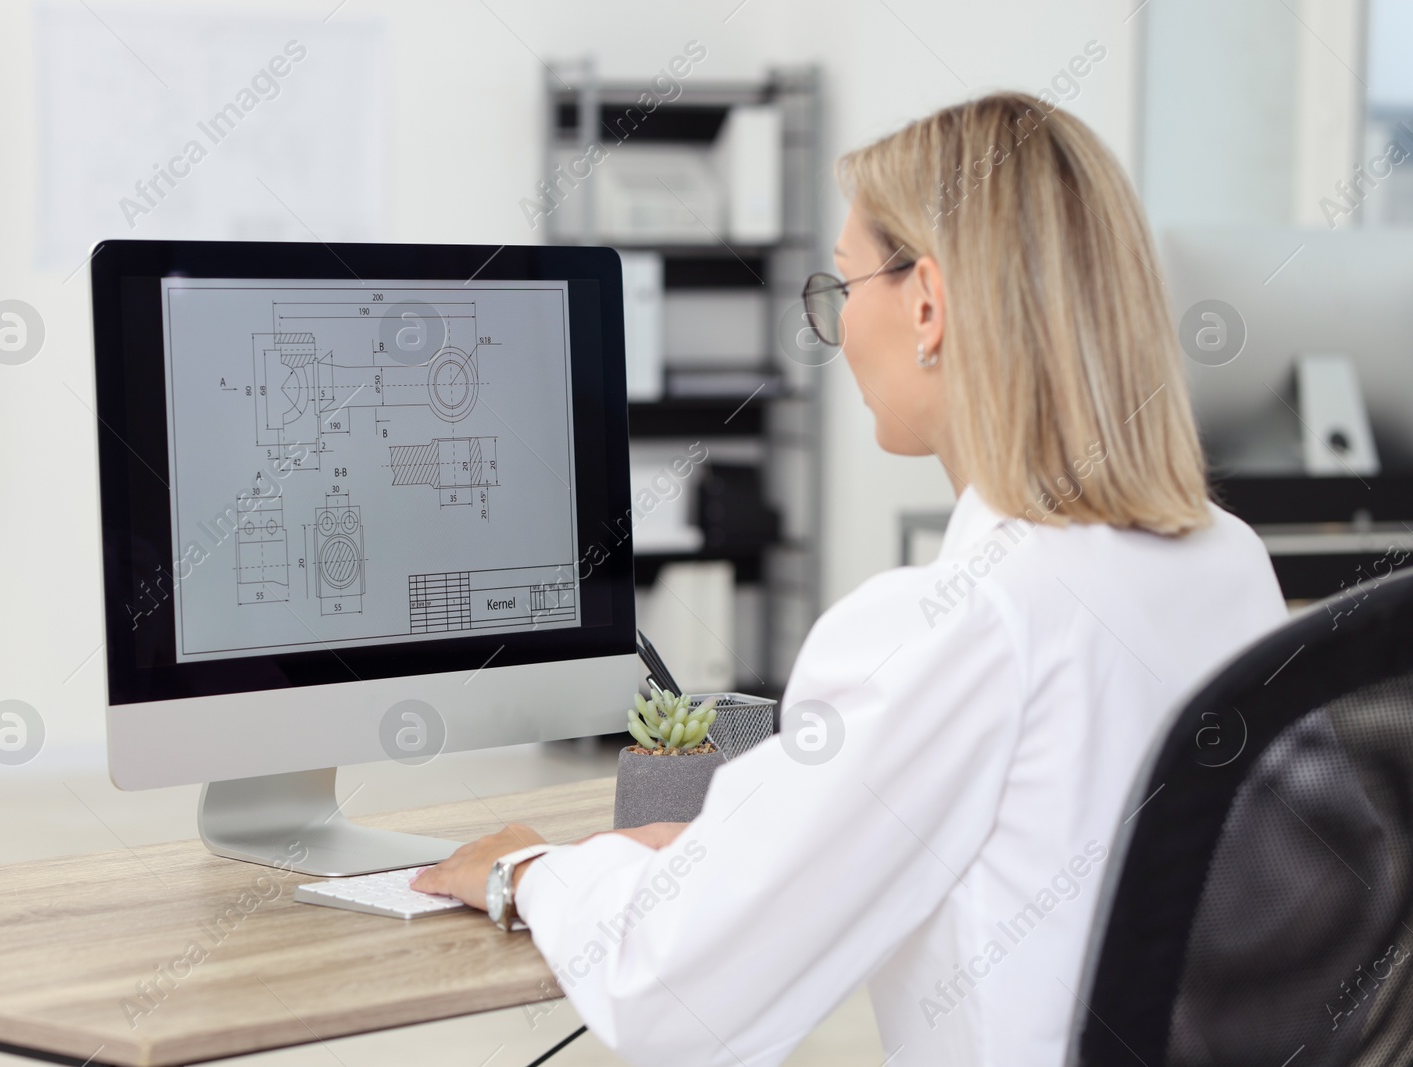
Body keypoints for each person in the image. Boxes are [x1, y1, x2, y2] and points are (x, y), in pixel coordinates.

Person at [413, 91, 1287, 1066]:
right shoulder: (1227, 558)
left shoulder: (954, 622)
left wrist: (532, 868)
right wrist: (734, 853)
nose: (837, 334)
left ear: (926, 305)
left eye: (841, 286)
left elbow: (678, 992)